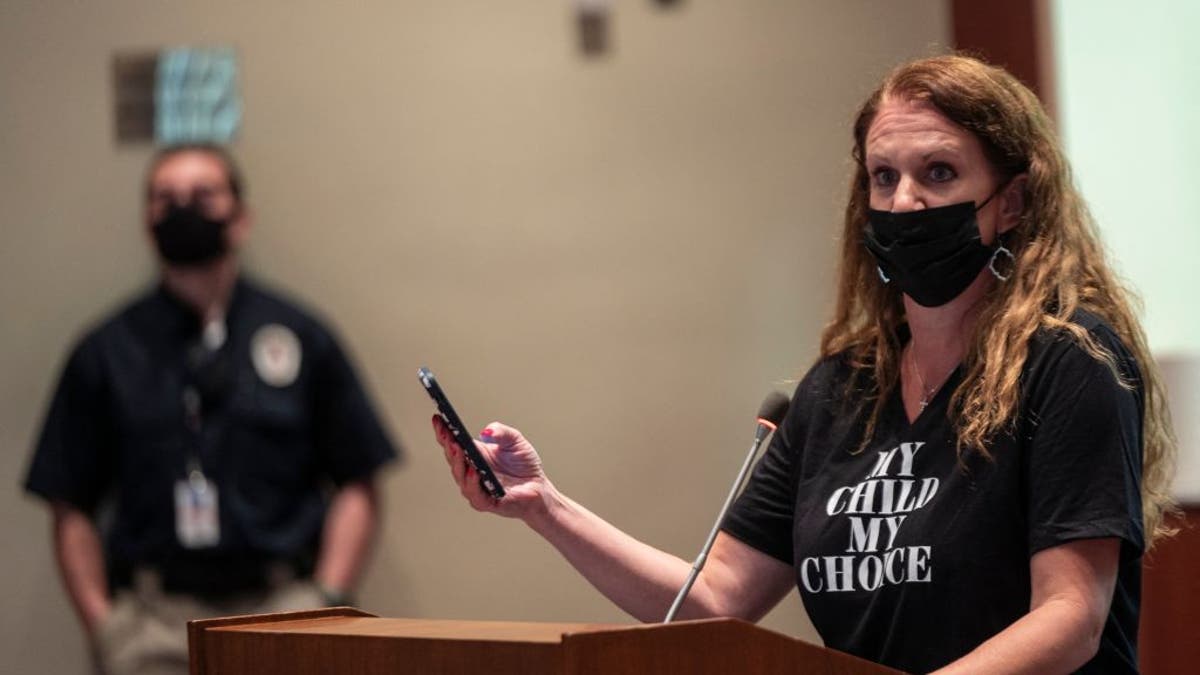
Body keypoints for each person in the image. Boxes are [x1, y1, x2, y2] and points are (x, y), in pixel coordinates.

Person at [431, 55, 1176, 674]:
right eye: (884, 178)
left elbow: (1071, 616)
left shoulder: (1071, 360)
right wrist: (543, 505)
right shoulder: (838, 390)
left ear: (1011, 200)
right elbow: (714, 597)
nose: (906, 202)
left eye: (940, 173)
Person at [24, 144, 400, 675]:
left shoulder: (300, 335)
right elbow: (69, 504)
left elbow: (359, 479)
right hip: (153, 626)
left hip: (284, 614)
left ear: (240, 218)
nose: (182, 210)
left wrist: (327, 599)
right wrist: (106, 626)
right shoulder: (105, 351)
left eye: (203, 195)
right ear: (146, 220)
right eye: (164, 198)